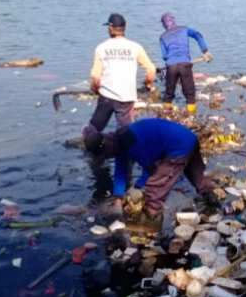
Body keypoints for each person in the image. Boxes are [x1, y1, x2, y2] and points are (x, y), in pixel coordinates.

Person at [84, 118, 218, 219]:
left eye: (105, 155)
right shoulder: (119, 141)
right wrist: (118, 199)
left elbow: (150, 168)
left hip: (177, 146)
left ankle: (152, 220)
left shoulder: (129, 143)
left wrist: (137, 186)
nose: (107, 157)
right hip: (189, 139)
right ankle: (212, 200)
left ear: (107, 147)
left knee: (155, 186)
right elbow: (120, 172)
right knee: (196, 176)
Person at [84, 13, 156, 139]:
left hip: (106, 95)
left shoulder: (101, 48)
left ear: (110, 28)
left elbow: (95, 75)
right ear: (125, 27)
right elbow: (151, 69)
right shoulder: (135, 47)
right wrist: (148, 85)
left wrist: (95, 89)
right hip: (126, 97)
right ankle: (126, 155)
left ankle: (91, 153)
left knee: (94, 128)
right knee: (126, 134)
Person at [158, 12, 212, 114]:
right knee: (190, 94)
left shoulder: (162, 37)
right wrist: (205, 51)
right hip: (185, 64)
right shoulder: (184, 29)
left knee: (169, 93)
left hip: (171, 66)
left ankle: (166, 113)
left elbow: (164, 56)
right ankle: (191, 116)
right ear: (174, 20)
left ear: (164, 24)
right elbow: (198, 35)